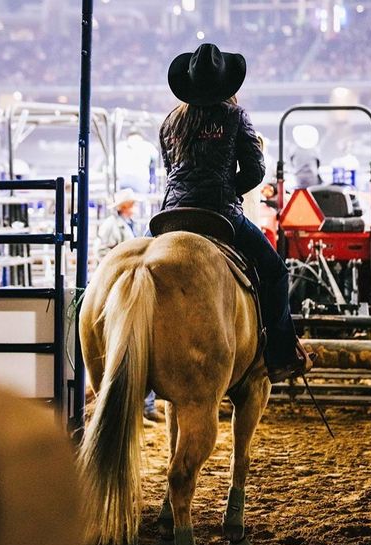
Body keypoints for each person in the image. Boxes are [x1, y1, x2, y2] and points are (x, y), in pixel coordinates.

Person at [158, 43, 312, 382]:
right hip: (219, 214)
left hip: (171, 214)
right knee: (274, 273)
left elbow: (170, 169)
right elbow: (256, 172)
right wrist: (228, 189)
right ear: (226, 84)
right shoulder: (235, 116)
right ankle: (281, 356)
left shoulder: (171, 121)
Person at [94, 188, 164, 423]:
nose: (133, 206)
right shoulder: (111, 226)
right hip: (120, 279)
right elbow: (101, 251)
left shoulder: (129, 224)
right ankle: (139, 408)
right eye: (131, 203)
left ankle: (146, 406)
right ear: (123, 206)